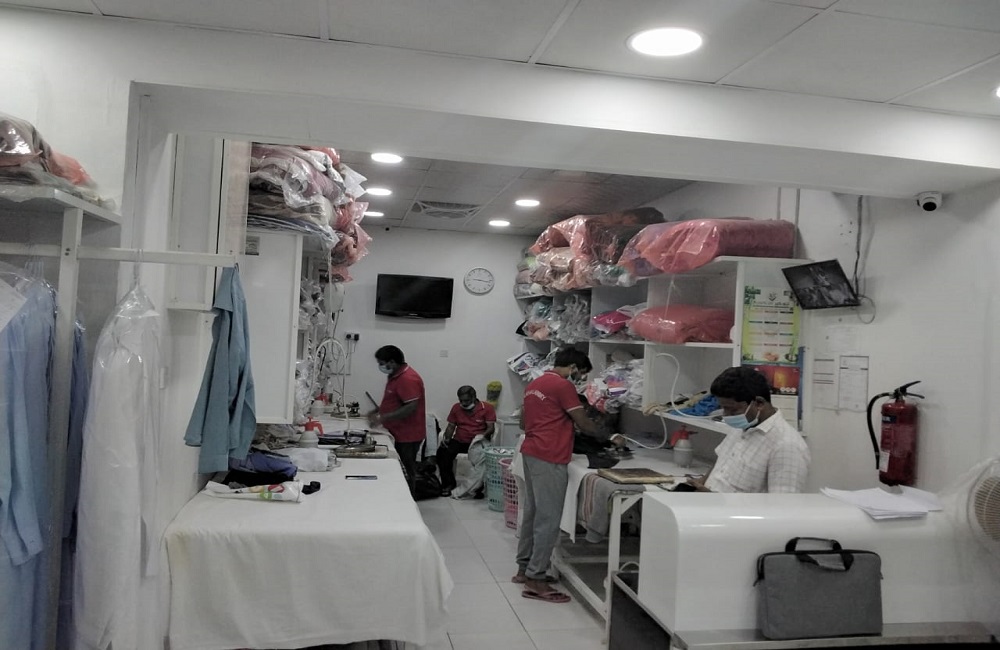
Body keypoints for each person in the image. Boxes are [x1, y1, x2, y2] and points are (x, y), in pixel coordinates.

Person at [515, 347, 624, 604]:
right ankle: (536, 579)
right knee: (549, 519)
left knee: (533, 513)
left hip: (531, 451)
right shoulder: (563, 385)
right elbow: (583, 422)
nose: (580, 378)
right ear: (573, 368)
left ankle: (524, 568)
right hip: (550, 455)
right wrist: (610, 436)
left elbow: (523, 423)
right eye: (581, 373)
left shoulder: (535, 383)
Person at [680, 366, 809, 493]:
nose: (726, 415)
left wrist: (712, 499)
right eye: (723, 408)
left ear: (759, 403)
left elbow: (782, 505)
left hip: (723, 506)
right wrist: (701, 482)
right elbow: (722, 463)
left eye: (732, 409)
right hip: (707, 503)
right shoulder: (744, 424)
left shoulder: (787, 447)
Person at [367, 345, 426, 498]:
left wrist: (383, 417)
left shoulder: (408, 379)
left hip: (408, 435)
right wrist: (378, 411)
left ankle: (408, 502)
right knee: (397, 469)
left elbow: (410, 407)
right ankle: (396, 497)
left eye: (381, 363)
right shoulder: (395, 376)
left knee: (405, 471)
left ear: (392, 362)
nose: (380, 367)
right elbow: (395, 401)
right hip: (396, 431)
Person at [437, 385, 496, 497]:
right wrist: (446, 439)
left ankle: (477, 488)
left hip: (477, 442)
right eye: (461, 401)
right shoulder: (456, 408)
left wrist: (481, 436)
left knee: (481, 458)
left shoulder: (487, 408)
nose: (463, 403)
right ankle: (448, 484)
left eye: (466, 400)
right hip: (459, 440)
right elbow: (451, 426)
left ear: (474, 397)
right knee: (442, 453)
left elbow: (491, 428)